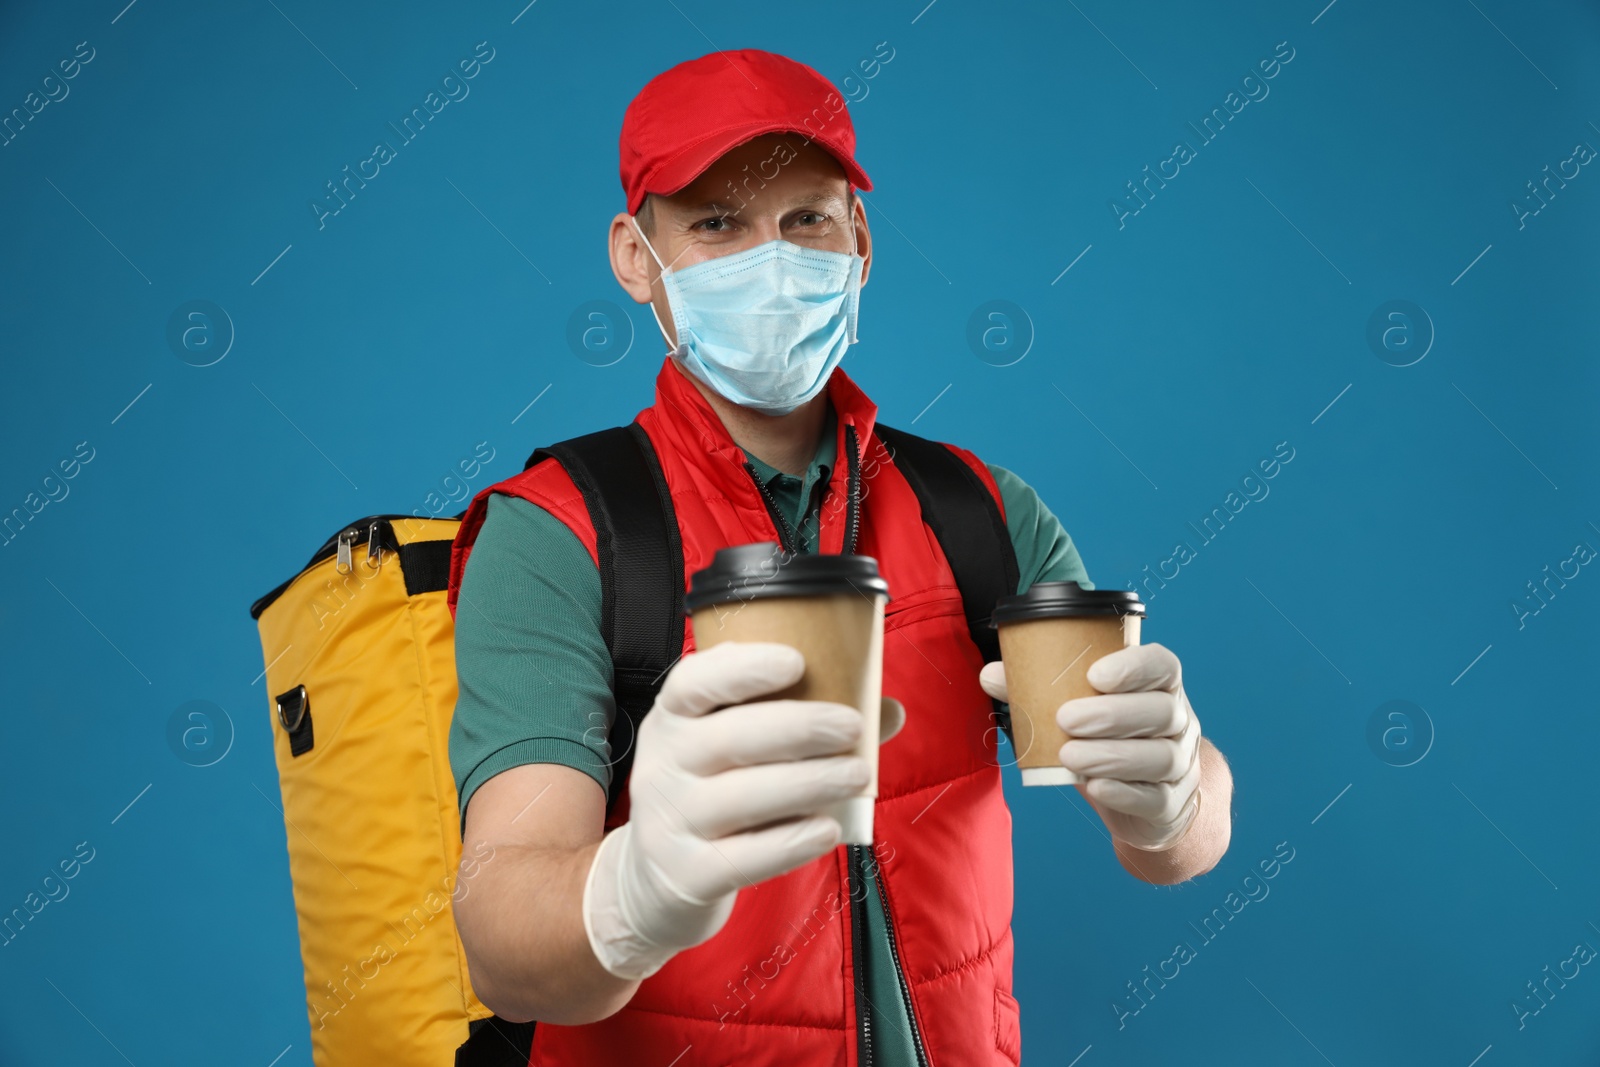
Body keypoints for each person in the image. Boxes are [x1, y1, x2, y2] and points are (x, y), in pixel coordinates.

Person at [446, 47, 1234, 1065]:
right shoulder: (560, 530)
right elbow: (504, 948)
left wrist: (1177, 789)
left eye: (805, 219)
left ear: (859, 242)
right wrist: (635, 887)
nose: (768, 262)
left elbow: (1174, 844)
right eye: (716, 222)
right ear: (635, 256)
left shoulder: (979, 511)